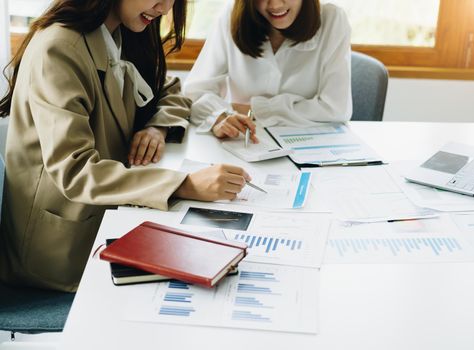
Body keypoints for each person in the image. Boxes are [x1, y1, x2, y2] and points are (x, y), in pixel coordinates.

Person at [0, 0, 251, 292]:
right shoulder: (59, 49)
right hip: (59, 251)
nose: (166, 8)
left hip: (110, 217)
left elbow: (169, 90)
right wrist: (184, 184)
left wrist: (157, 127)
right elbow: (75, 171)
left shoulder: (119, 33)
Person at [183, 0, 352, 141]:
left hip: (312, 146)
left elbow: (336, 109)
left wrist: (254, 110)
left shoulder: (332, 19)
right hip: (243, 143)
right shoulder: (232, 15)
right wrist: (218, 117)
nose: (275, 4)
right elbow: (195, 93)